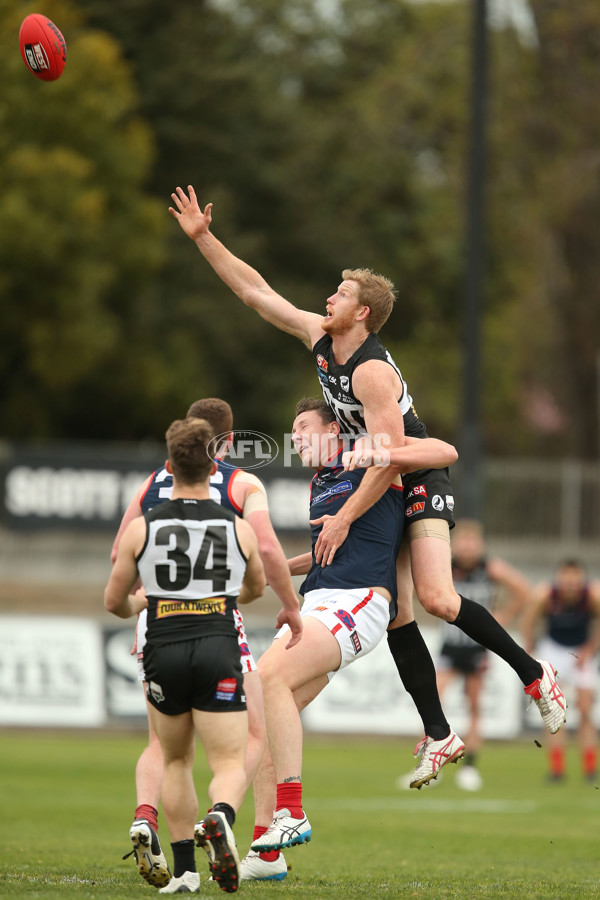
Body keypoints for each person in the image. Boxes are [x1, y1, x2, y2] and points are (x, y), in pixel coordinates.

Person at [168, 185, 567, 790]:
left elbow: (386, 460)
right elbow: (256, 293)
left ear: (363, 315)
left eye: (341, 294)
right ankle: (440, 735)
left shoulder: (373, 372)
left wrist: (347, 516)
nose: (328, 297)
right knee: (399, 613)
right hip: (376, 471)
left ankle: (536, 676)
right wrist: (203, 238)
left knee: (434, 598)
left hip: (414, 471)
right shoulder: (323, 343)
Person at [239, 397, 458, 881]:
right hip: (320, 603)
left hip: (359, 602)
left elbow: (444, 451)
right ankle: (265, 852)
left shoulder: (366, 456)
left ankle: (291, 810)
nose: (295, 438)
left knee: (267, 676)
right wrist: (264, 572)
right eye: (292, 431)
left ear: (334, 430)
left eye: (302, 427)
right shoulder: (319, 482)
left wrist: (382, 450)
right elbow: (322, 552)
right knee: (262, 709)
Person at [111, 398, 302, 888]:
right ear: (229, 442)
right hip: (216, 620)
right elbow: (263, 548)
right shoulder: (241, 484)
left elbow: (119, 555)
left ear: (174, 456)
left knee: (167, 748)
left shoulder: (153, 484)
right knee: (252, 736)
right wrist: (290, 606)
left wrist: (143, 600)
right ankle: (223, 815)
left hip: (155, 622)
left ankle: (155, 830)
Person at [398, 519, 532, 791]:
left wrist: (500, 618)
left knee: (474, 707)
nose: (468, 548)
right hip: (450, 646)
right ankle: (431, 760)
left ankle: (470, 768)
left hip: (476, 647)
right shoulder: (444, 564)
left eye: (473, 543)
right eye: (463, 542)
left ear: (480, 545)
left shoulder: (489, 568)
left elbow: (523, 590)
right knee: (431, 702)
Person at [523, 560, 600, 783]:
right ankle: (557, 770)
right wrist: (530, 652)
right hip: (552, 650)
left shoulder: (592, 596)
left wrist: (589, 650)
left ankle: (589, 769)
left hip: (580, 652)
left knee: (585, 710)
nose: (570, 584)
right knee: (555, 712)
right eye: (566, 578)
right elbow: (528, 623)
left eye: (575, 578)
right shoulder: (544, 595)